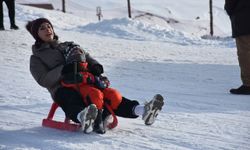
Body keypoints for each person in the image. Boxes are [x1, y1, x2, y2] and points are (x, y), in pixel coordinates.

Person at [26, 18, 164, 134]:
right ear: (36, 34)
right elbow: (43, 80)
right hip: (62, 88)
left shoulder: (67, 45)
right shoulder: (37, 58)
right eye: (42, 28)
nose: (47, 30)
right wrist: (63, 70)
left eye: (49, 26)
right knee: (71, 98)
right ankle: (84, 117)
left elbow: (86, 57)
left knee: (110, 95)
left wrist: (95, 67)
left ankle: (142, 110)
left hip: (84, 81)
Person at [225, 0, 250, 95]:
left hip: (244, 19)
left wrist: (232, 11)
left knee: (245, 53)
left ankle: (248, 84)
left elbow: (230, 5)